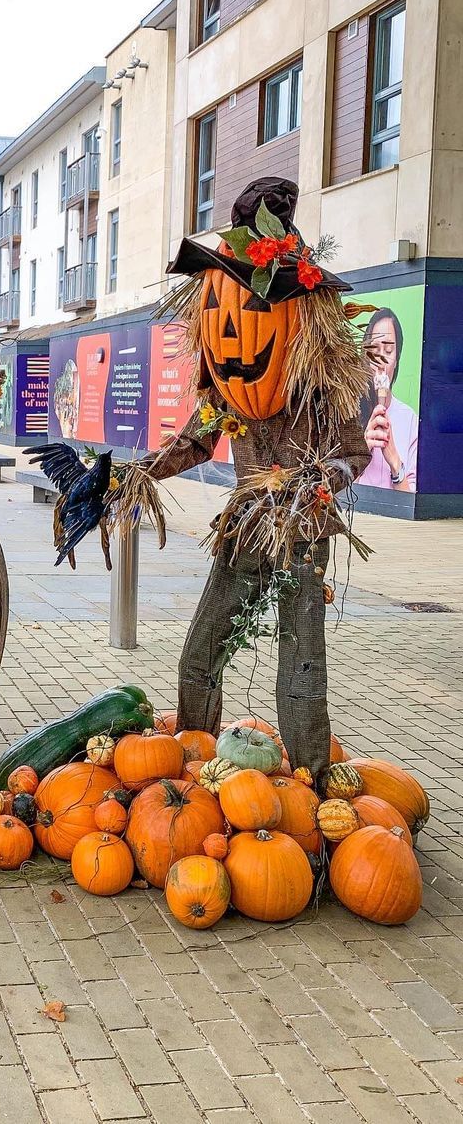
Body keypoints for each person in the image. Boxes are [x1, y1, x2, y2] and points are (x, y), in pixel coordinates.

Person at [137, 178, 370, 784]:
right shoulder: (229, 384)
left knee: (300, 663)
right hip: (244, 527)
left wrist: (312, 484)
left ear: (299, 310)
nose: (236, 330)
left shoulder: (325, 377)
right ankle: (193, 764)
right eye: (221, 306)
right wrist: (141, 473)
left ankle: (315, 784)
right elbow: (196, 439)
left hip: (301, 530)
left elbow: (351, 454)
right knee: (203, 648)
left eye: (258, 307)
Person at [358, 307, 418, 491]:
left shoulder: (409, 419)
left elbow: (412, 502)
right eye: (374, 349)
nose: (380, 359)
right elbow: (328, 492)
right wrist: (360, 454)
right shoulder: (346, 414)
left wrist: (394, 461)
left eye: (389, 349)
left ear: (397, 358)